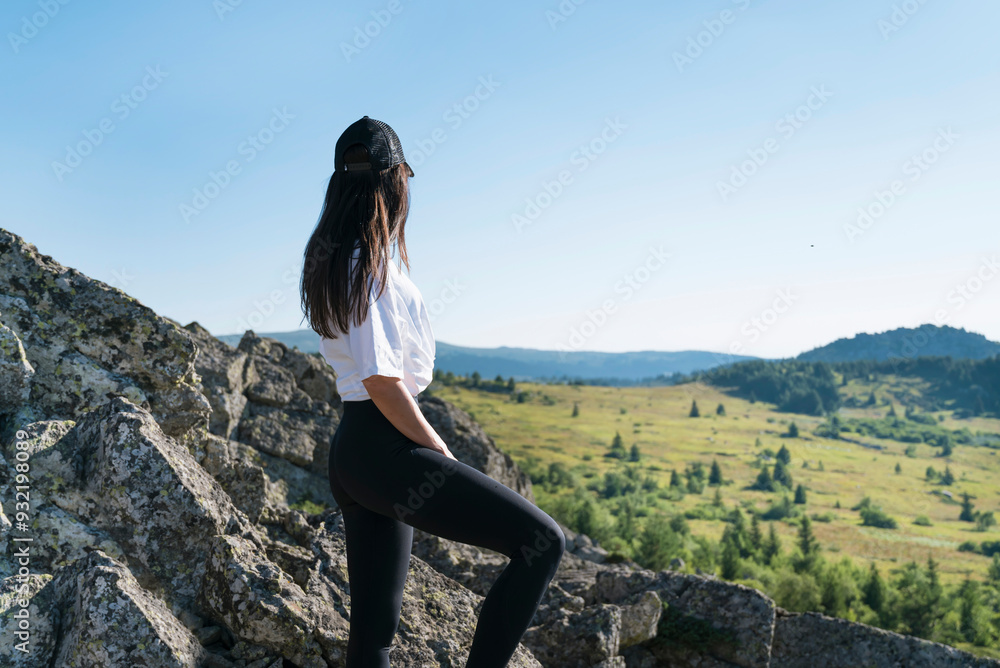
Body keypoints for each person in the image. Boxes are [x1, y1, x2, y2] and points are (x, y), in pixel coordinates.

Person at [299, 116, 565, 668]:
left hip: (356, 451)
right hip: (386, 447)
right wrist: (437, 452)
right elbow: (382, 381)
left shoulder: (340, 262)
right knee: (543, 543)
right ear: (394, 183)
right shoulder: (364, 267)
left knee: (374, 630)